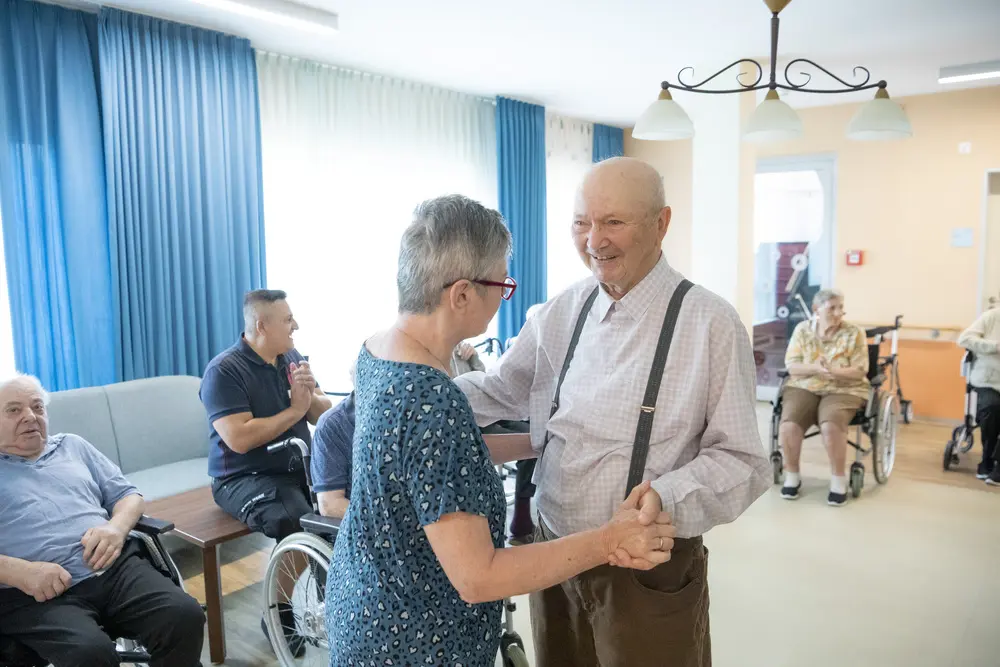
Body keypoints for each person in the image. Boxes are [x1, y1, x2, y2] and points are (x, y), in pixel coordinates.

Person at [325, 194, 676, 667]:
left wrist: (542, 439)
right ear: (463, 293)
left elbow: (426, 464)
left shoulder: (378, 350)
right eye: (501, 284)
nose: (503, 295)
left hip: (364, 601)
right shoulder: (432, 398)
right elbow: (479, 577)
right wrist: (608, 539)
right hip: (415, 638)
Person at [454, 157, 770, 667]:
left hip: (644, 571)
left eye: (613, 222)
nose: (593, 240)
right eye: (581, 223)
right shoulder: (561, 310)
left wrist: (664, 497)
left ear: (661, 223)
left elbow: (743, 461)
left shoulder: (709, 323)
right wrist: (415, 391)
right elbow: (500, 390)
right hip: (551, 554)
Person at [0, 375, 205, 667]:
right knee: (90, 654)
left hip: (113, 569)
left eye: (37, 407)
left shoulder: (72, 446)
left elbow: (129, 496)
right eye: (13, 410)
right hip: (37, 595)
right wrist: (21, 572)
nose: (30, 417)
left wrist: (116, 528)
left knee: (184, 616)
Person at [199, 289, 332, 654]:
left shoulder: (290, 356)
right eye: (288, 320)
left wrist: (308, 398)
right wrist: (293, 411)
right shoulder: (224, 371)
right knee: (296, 519)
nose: (296, 326)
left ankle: (338, 604)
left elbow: (320, 412)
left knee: (337, 513)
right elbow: (239, 439)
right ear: (262, 325)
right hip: (241, 477)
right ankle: (279, 612)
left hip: (296, 466)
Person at [312, 342, 484, 519]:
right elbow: (330, 504)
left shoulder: (407, 414)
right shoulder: (332, 426)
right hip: (371, 523)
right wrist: (391, 519)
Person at [778, 288, 870, 506]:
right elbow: (792, 366)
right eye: (833, 308)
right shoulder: (802, 330)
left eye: (841, 307)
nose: (839, 313)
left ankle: (838, 480)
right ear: (816, 309)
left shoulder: (854, 333)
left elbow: (860, 370)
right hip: (805, 385)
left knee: (830, 423)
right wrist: (815, 368)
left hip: (844, 388)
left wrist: (834, 371)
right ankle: (792, 476)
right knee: (789, 424)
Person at [958, 305, 1000, 484]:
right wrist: (995, 347)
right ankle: (987, 460)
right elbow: (964, 339)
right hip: (988, 380)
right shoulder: (992, 316)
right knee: (992, 408)